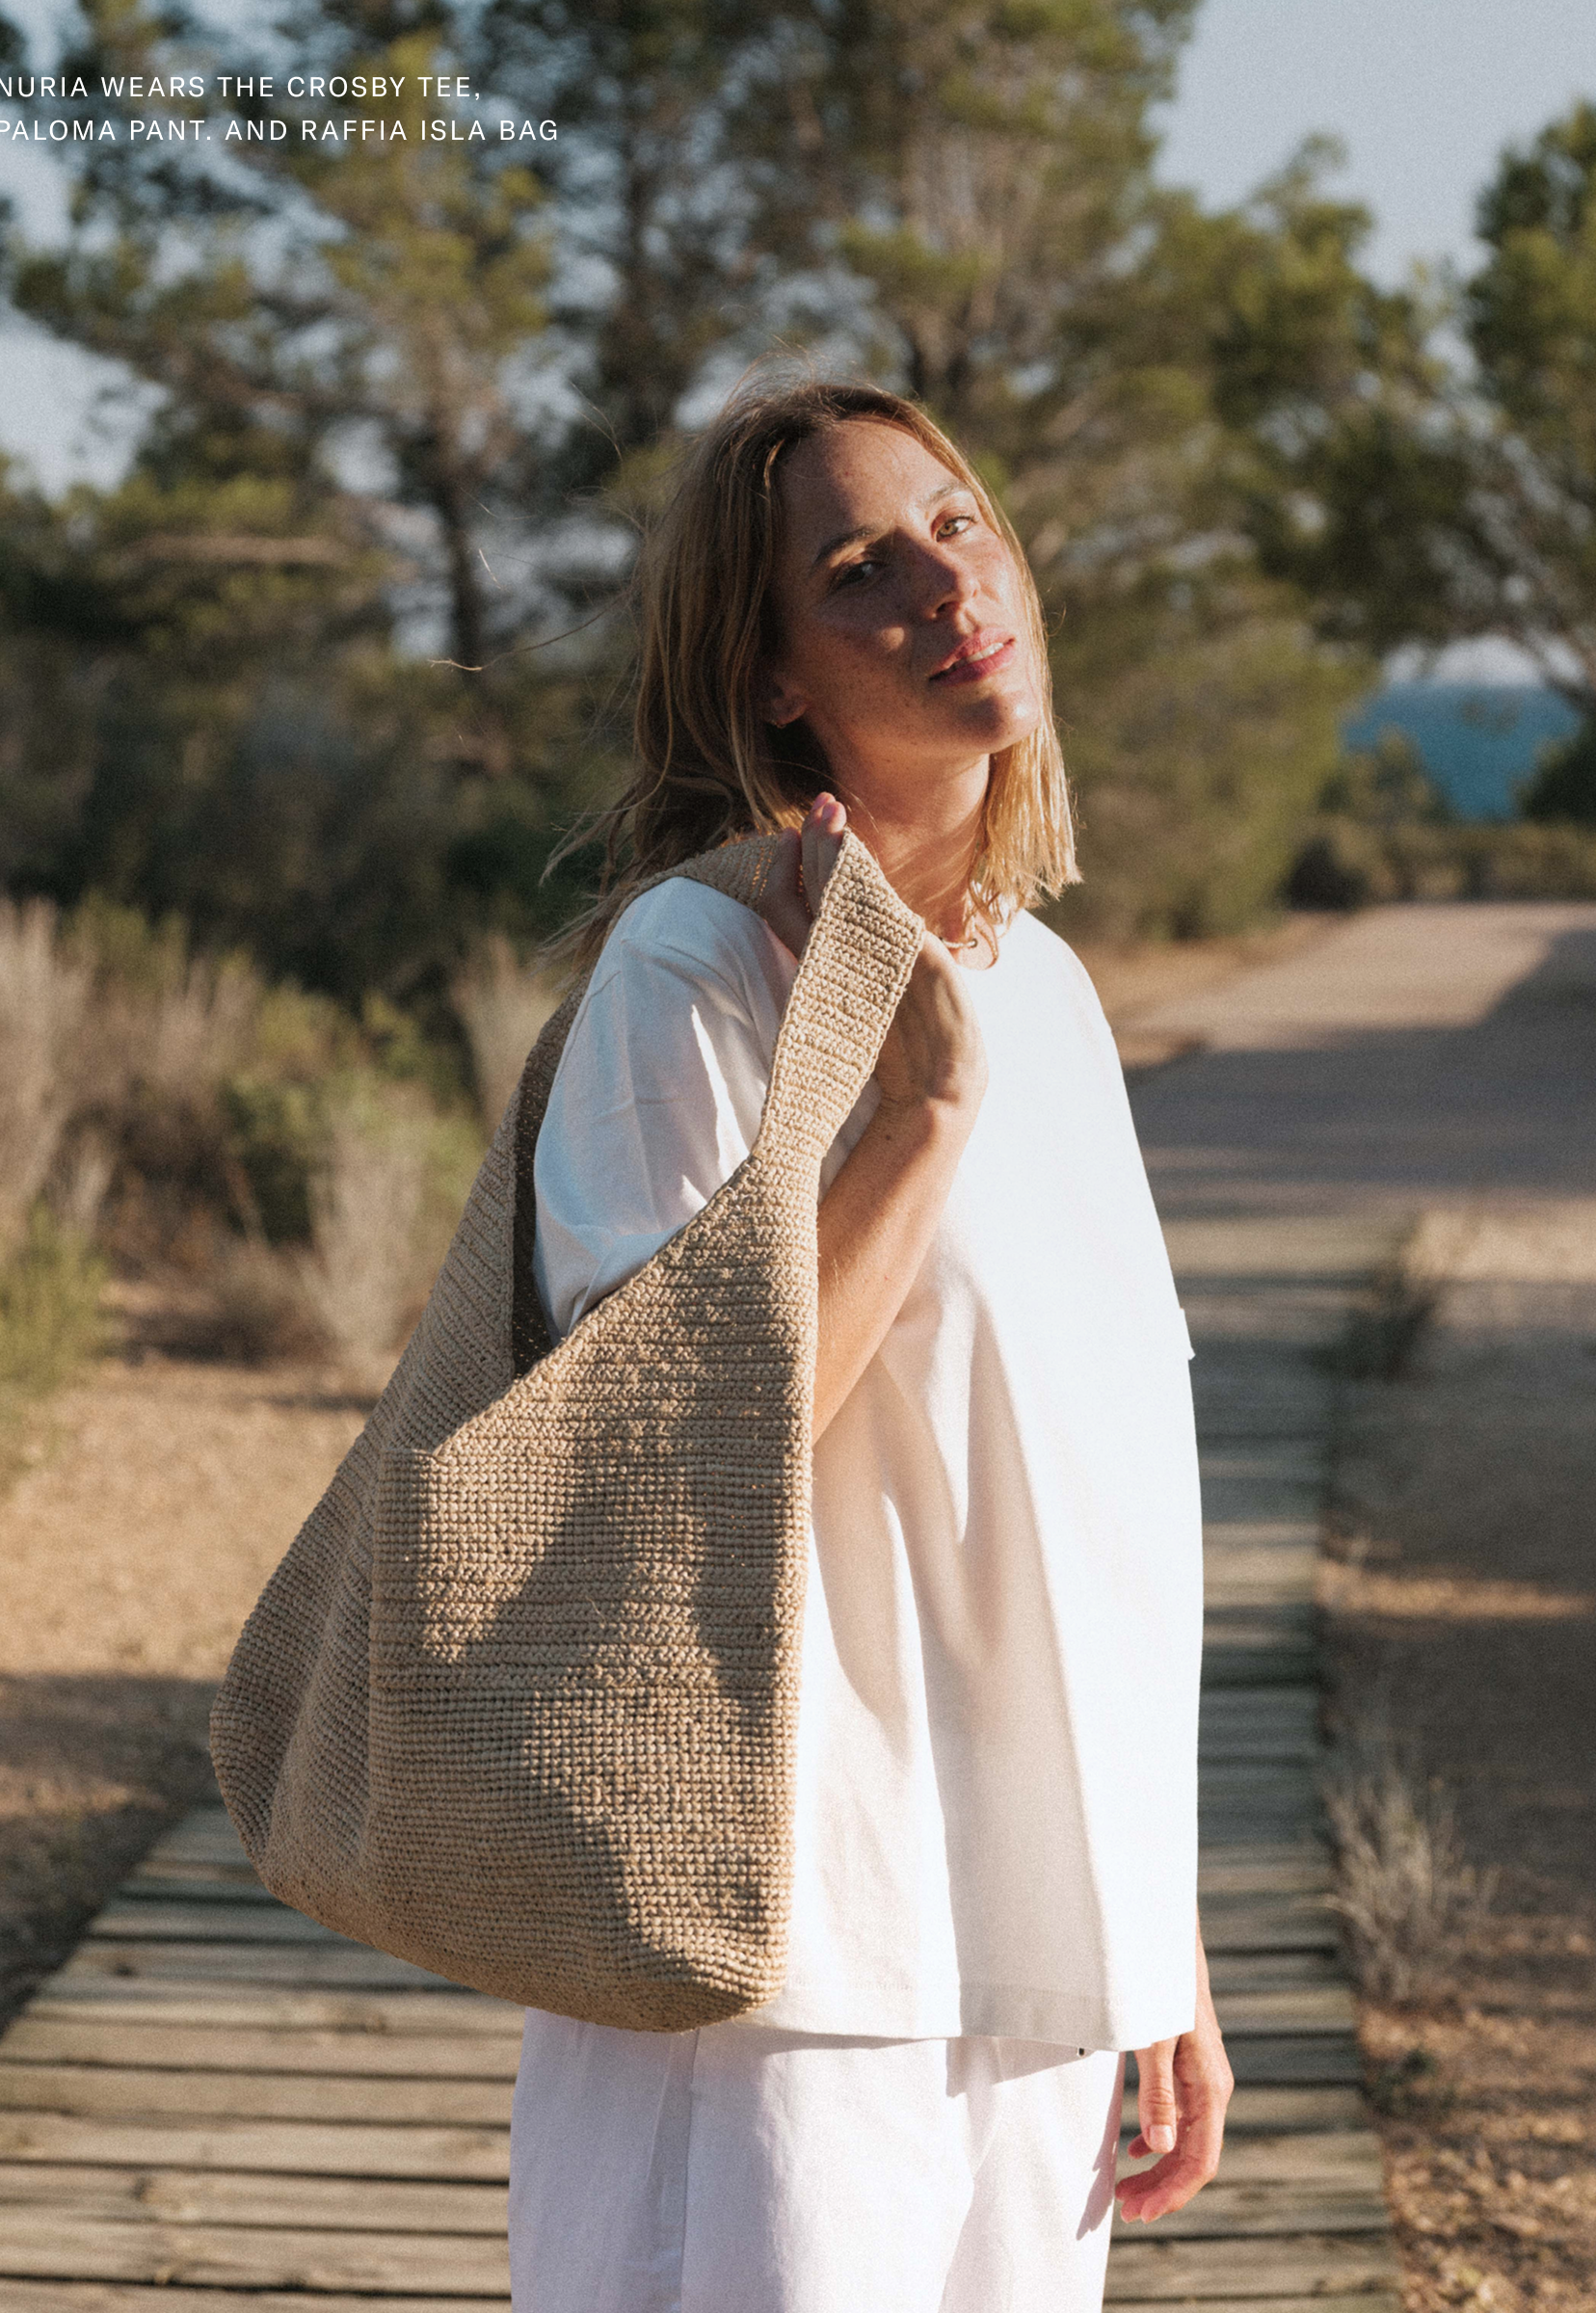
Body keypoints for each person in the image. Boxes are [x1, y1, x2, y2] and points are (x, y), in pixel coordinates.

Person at [507, 379, 1231, 2312]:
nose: (944, 577)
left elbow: (1093, 1501)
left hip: (1041, 1973)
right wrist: (908, 1113)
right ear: (766, 681)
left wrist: (1159, 1940)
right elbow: (660, 1480)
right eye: (859, 566)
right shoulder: (694, 966)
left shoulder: (1049, 985)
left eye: (957, 522)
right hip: (790, 1975)